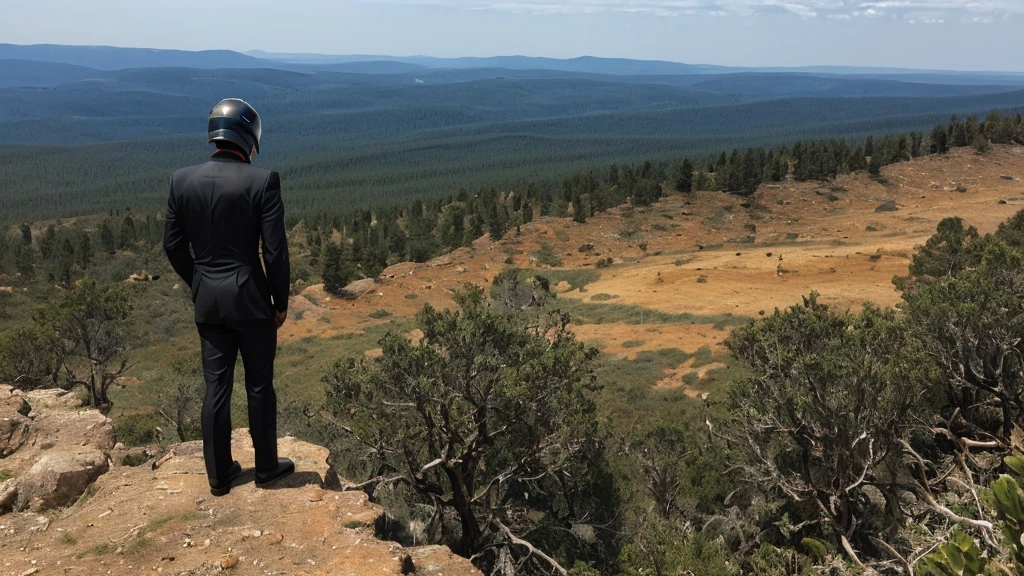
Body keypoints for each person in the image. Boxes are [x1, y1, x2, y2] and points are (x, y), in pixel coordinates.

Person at [164, 98, 294, 496]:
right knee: (259, 386)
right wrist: (280, 302)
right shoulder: (262, 181)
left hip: (209, 304)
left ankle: (219, 474)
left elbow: (172, 246)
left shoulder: (180, 180)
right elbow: (274, 251)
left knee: (215, 387)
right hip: (252, 301)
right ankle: (267, 468)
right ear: (250, 138)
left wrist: (198, 283)